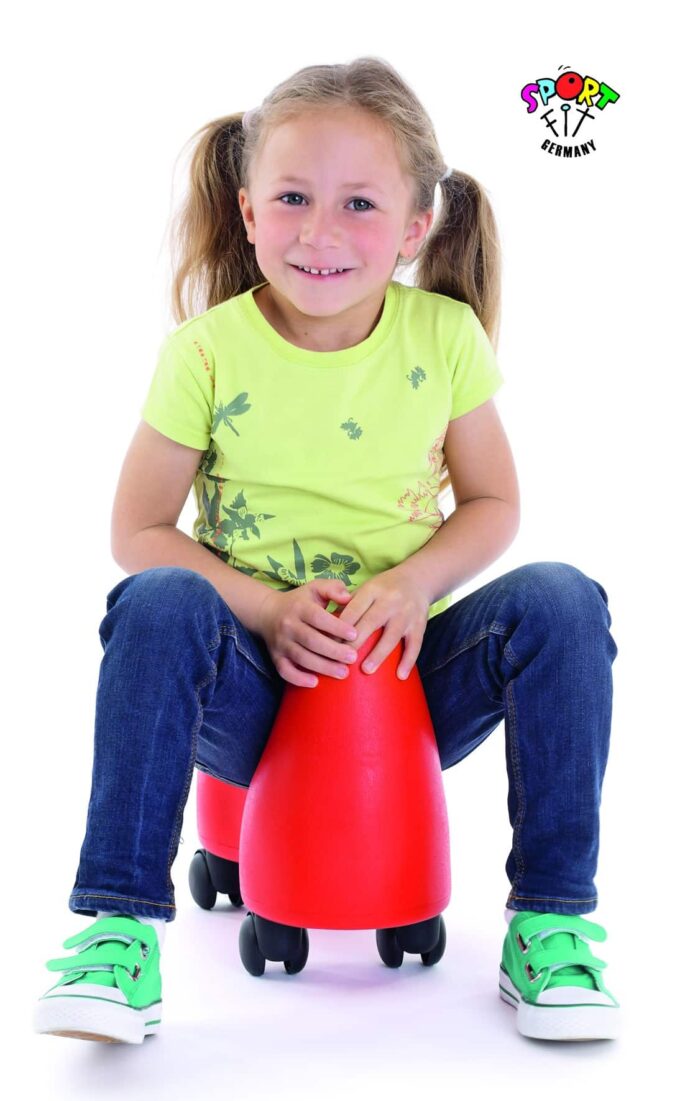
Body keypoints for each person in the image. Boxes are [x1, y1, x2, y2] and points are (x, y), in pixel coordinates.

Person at [33, 56, 620, 1046]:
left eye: (358, 203)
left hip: (407, 674)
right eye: (293, 198)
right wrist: (264, 611)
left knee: (563, 599)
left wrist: (412, 583)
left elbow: (493, 502)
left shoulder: (443, 336)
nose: (319, 232)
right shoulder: (206, 351)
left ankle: (552, 923)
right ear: (248, 211)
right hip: (251, 683)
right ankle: (118, 931)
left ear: (414, 226)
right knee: (158, 600)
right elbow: (138, 531)